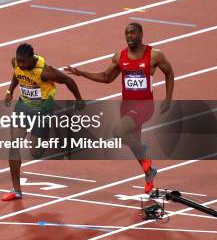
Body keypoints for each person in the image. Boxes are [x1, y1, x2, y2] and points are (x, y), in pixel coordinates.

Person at [65, 22, 174, 194]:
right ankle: (149, 176)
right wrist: (82, 73)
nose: (129, 36)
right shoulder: (120, 57)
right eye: (126, 33)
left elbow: (169, 73)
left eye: (132, 32)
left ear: (140, 34)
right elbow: (106, 77)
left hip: (145, 106)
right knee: (130, 141)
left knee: (119, 132)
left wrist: (168, 98)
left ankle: (145, 157)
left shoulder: (154, 55)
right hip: (126, 107)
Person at [2, 43, 84, 201]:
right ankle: (16, 190)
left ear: (32, 59)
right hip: (23, 106)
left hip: (43, 109)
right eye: (19, 61)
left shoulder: (45, 72)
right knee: (13, 145)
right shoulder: (17, 63)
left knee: (36, 152)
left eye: (24, 62)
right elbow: (17, 74)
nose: (21, 64)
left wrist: (79, 99)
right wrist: (9, 91)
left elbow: (68, 80)